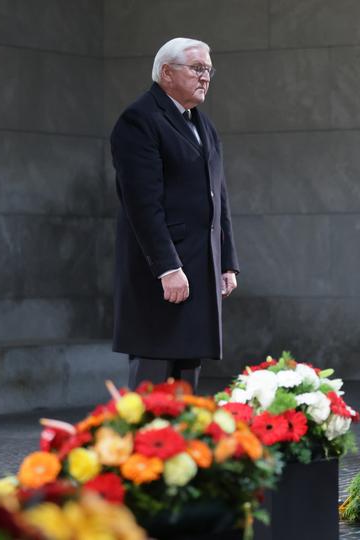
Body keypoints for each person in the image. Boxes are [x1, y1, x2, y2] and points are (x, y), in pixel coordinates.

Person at [110, 37, 238, 392]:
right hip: (161, 274)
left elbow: (218, 196)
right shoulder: (139, 120)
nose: (205, 77)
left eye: (209, 70)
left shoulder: (202, 124)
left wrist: (226, 262)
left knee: (185, 381)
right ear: (166, 72)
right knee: (152, 384)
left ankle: (181, 448)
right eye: (197, 68)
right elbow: (141, 204)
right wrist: (168, 267)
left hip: (198, 267)